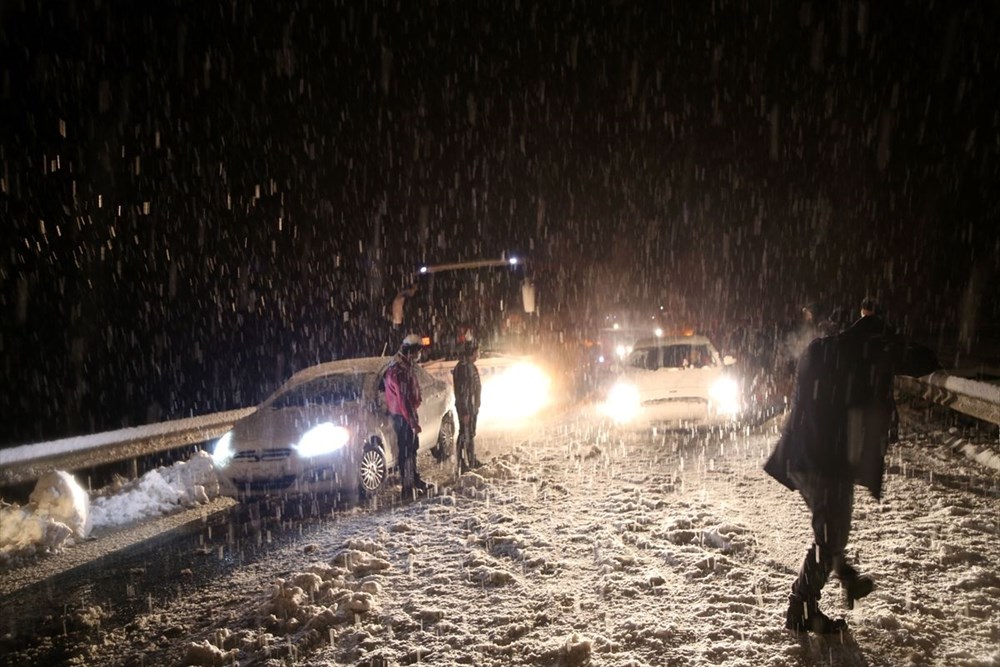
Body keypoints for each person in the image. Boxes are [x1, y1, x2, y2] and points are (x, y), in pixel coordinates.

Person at [764, 300, 939, 634]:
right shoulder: (872, 352)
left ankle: (844, 581)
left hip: (801, 454)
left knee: (830, 530)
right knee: (831, 536)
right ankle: (801, 609)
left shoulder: (823, 348)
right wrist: (893, 341)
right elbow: (926, 361)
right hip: (829, 461)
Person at [383, 333, 430, 500]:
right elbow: (403, 401)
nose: (418, 356)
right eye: (417, 352)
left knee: (412, 449)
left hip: (407, 414)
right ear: (410, 352)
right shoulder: (398, 370)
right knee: (407, 452)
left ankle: (414, 481)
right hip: (402, 417)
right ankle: (407, 487)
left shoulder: (405, 366)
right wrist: (412, 423)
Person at [452, 340, 483, 473]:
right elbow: (462, 392)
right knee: (464, 433)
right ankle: (462, 463)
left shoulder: (470, 366)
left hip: (471, 406)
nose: (478, 354)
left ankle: (471, 460)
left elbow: (476, 387)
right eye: (476, 352)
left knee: (470, 433)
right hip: (466, 407)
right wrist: (465, 411)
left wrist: (477, 403)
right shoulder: (463, 367)